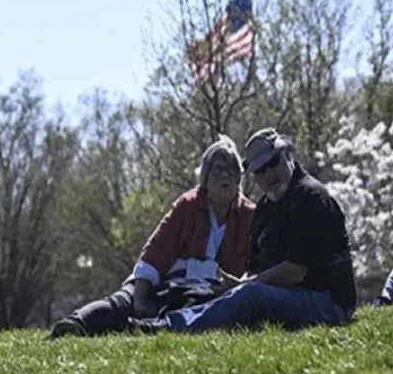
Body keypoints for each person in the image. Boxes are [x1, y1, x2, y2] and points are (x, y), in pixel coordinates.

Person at [128, 128, 357, 334]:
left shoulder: (310, 198)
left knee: (248, 295)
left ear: (288, 155)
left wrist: (243, 285)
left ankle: (169, 326)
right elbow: (255, 269)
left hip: (328, 302)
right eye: (260, 170)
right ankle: (164, 321)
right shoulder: (266, 208)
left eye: (273, 163)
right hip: (288, 296)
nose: (268, 175)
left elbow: (294, 272)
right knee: (229, 293)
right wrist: (234, 284)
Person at [47, 134, 255, 338]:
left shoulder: (250, 216)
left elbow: (256, 270)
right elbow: (155, 253)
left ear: (239, 179)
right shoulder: (188, 205)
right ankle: (74, 324)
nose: (226, 176)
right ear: (205, 179)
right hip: (163, 282)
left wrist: (238, 284)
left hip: (205, 296)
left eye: (232, 170)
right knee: (122, 302)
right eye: (219, 170)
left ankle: (144, 328)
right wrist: (140, 299)